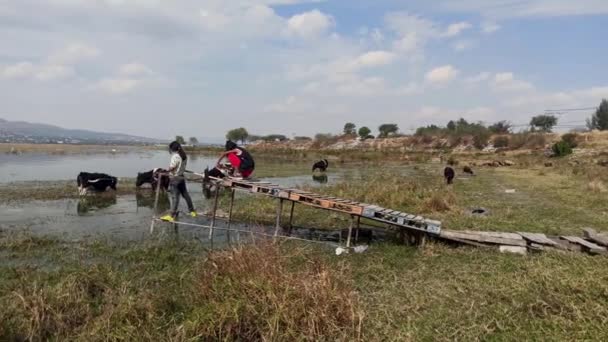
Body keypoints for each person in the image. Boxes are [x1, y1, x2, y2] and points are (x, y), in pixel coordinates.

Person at [160, 141, 196, 222]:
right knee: (186, 195)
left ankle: (171, 215)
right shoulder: (184, 155)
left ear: (172, 149)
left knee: (174, 197)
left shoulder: (175, 156)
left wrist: (167, 171)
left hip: (175, 178)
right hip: (181, 177)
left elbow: (172, 167)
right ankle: (192, 211)